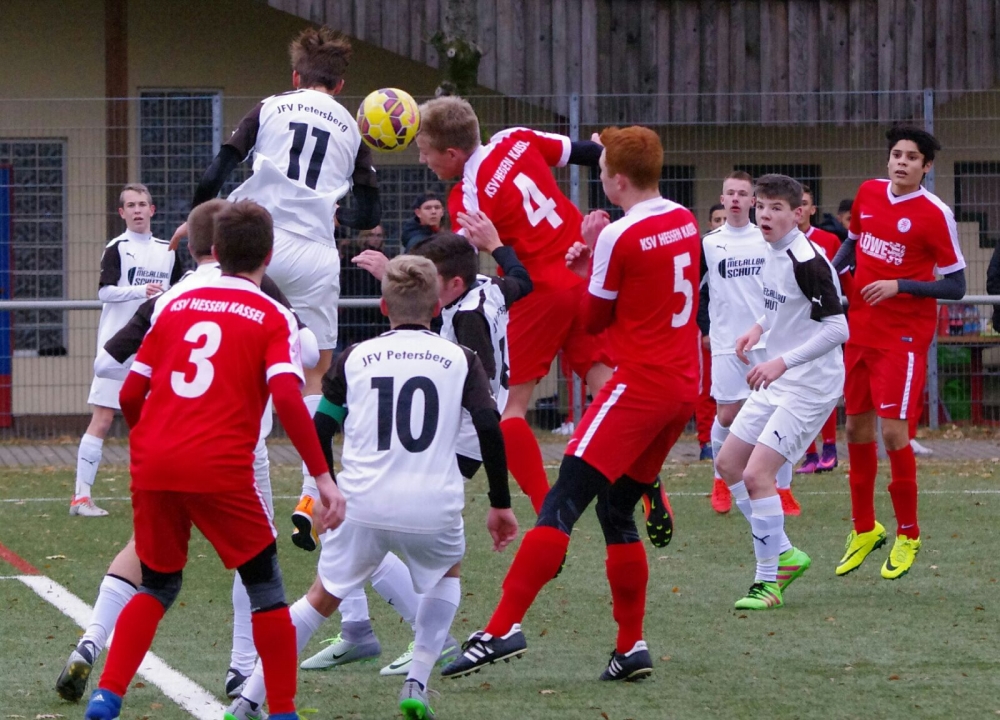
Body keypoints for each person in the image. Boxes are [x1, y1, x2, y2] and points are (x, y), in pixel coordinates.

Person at [442, 126, 700, 683]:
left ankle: (500, 629)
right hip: (681, 387)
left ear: (617, 180)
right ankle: (630, 647)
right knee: (616, 511)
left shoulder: (618, 236)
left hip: (638, 386)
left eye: (602, 170)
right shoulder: (684, 218)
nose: (598, 175)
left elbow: (592, 319)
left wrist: (588, 268)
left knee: (560, 503)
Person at [83, 201, 344, 720]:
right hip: (221, 465)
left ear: (216, 251)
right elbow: (288, 397)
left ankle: (107, 695)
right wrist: (322, 477)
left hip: (156, 463)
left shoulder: (175, 304)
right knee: (266, 588)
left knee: (157, 584)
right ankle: (282, 711)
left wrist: (151, 441)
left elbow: (131, 391)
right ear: (269, 255)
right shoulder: (272, 313)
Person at [226, 255, 516, 720]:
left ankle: (249, 699)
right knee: (447, 575)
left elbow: (321, 427)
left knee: (319, 598)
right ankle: (417, 679)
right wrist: (500, 503)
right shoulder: (462, 359)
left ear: (383, 307)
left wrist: (326, 488)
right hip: (432, 506)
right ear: (436, 307)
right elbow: (488, 426)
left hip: (361, 504)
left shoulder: (355, 357)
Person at [415, 98, 674, 547]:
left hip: (540, 289)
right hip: (583, 269)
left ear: (452, 154)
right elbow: (589, 153)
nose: (423, 161)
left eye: (425, 153)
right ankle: (645, 477)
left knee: (509, 409)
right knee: (606, 385)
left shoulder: (468, 196)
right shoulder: (515, 139)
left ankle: (547, 517)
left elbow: (457, 262)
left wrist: (402, 275)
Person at [168, 27, 381, 551]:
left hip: (256, 240)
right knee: (315, 373)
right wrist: (339, 213)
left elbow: (216, 172)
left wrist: (198, 219)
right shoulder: (353, 129)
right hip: (316, 253)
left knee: (247, 360)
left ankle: (251, 489)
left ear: (295, 76)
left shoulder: (270, 107)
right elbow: (369, 213)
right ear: (340, 84)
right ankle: (311, 494)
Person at [299, 215, 533, 678]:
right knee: (360, 517)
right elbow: (522, 280)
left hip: (457, 436)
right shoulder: (490, 288)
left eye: (432, 277)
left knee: (371, 519)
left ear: (454, 284)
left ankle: (426, 638)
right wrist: (498, 245)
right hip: (459, 431)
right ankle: (358, 628)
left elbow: (475, 383)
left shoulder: (464, 320)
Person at [831, 126, 966, 580]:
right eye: (896, 154)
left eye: (911, 157)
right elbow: (854, 241)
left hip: (903, 338)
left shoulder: (935, 214)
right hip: (860, 329)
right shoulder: (868, 193)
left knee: (892, 433)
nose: (901, 162)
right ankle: (865, 528)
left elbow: (956, 285)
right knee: (855, 428)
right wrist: (831, 271)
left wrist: (900, 285)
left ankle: (908, 533)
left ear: (927, 167)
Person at [714, 174, 848, 611]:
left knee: (758, 476)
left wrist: (781, 362)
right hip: (780, 379)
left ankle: (767, 582)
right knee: (728, 463)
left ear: (798, 213)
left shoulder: (807, 260)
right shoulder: (768, 250)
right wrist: (757, 330)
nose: (765, 215)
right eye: (761, 206)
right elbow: (780, 308)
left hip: (810, 386)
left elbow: (838, 329)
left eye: (776, 208)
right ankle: (784, 552)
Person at [71, 184, 183, 517]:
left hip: (154, 347)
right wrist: (138, 290)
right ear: (121, 213)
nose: (137, 210)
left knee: (156, 421)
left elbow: (180, 291)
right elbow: (104, 292)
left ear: (152, 210)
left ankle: (160, 493)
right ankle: (81, 497)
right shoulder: (116, 248)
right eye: (131, 205)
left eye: (142, 204)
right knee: (103, 418)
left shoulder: (168, 250)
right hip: (117, 347)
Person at [698, 172, 796, 515]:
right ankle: (721, 479)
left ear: (753, 201)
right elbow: (696, 289)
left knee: (778, 412)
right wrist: (703, 327)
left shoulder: (765, 238)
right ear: (722, 200)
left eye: (742, 193)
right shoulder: (708, 244)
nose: (736, 199)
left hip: (767, 340)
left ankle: (783, 488)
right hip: (727, 341)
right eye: (731, 193)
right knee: (727, 416)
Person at [796, 185, 851, 476]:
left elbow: (845, 279)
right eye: (796, 203)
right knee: (797, 389)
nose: (800, 209)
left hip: (824, 323)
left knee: (823, 385)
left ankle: (830, 449)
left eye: (805, 203)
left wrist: (855, 307)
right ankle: (809, 454)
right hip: (794, 326)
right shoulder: (779, 242)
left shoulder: (828, 240)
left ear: (812, 209)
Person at [694, 202, 727, 464]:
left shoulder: (750, 244)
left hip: (742, 332)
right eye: (717, 220)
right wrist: (705, 329)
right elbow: (699, 293)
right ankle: (706, 442)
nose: (722, 224)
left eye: (725, 219)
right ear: (709, 224)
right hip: (712, 332)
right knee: (708, 388)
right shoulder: (705, 250)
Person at [338, 226, 390, 350]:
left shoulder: (386, 258)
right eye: (371, 235)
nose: (375, 239)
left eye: (379, 235)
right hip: (354, 313)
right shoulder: (352, 258)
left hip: (376, 315)